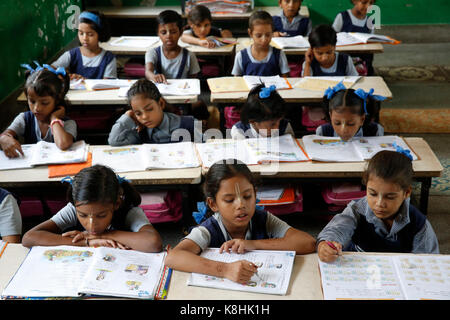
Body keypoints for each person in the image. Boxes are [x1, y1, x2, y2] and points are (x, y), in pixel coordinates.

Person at [164, 160, 316, 284]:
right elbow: (173, 257)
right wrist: (225, 269)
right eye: (229, 200)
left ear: (255, 193)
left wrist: (253, 244)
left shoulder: (262, 218)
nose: (241, 205)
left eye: (248, 196)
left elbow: (307, 242)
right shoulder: (208, 230)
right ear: (213, 204)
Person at [317, 150, 439, 263]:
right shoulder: (356, 210)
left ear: (406, 193)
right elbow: (336, 230)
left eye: (390, 197)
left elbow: (428, 262)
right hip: (359, 272)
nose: (379, 203)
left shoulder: (419, 224)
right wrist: (325, 246)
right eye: (373, 194)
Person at [22, 165, 163, 253]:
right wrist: (87, 242)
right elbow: (29, 238)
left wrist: (105, 235)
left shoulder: (128, 211)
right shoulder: (74, 209)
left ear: (116, 204)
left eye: (101, 215)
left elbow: (153, 242)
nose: (91, 224)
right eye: (83, 215)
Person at [0, 64, 77, 158]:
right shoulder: (24, 119)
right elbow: (5, 135)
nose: (37, 108)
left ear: (57, 100)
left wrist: (54, 119)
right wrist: (3, 138)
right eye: (32, 101)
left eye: (44, 103)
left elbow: (63, 144)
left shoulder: (68, 123)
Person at [108, 79, 202, 145]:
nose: (144, 117)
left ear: (161, 103)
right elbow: (114, 141)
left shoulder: (190, 124)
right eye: (138, 113)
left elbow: (207, 150)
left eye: (149, 109)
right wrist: (127, 116)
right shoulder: (140, 132)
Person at [52, 10, 116, 79]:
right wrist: (65, 76)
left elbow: (109, 86)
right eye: (81, 33)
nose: (85, 38)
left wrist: (84, 82)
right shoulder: (72, 55)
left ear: (100, 34)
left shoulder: (108, 58)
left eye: (90, 34)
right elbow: (49, 70)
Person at [145, 10, 201, 83]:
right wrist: (153, 76)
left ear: (180, 32)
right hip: (158, 93)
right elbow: (148, 71)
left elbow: (193, 80)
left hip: (183, 93)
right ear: (158, 33)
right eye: (163, 32)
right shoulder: (152, 53)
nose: (168, 36)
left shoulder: (189, 56)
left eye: (173, 32)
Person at [316, 82, 385, 141]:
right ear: (331, 116)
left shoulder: (375, 131)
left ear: (362, 119)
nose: (343, 130)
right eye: (337, 123)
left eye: (351, 124)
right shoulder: (323, 133)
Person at [232, 10, 290, 77]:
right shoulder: (241, 56)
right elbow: (236, 81)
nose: (264, 39)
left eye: (268, 35)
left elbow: (286, 80)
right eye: (258, 36)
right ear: (250, 33)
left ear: (272, 32)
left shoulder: (279, 55)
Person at [332, 0, 376, 75]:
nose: (368, 6)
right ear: (354, 1)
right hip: (343, 60)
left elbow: (370, 42)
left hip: (363, 61)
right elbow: (332, 38)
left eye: (371, 3)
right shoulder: (342, 17)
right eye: (364, 2)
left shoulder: (370, 21)